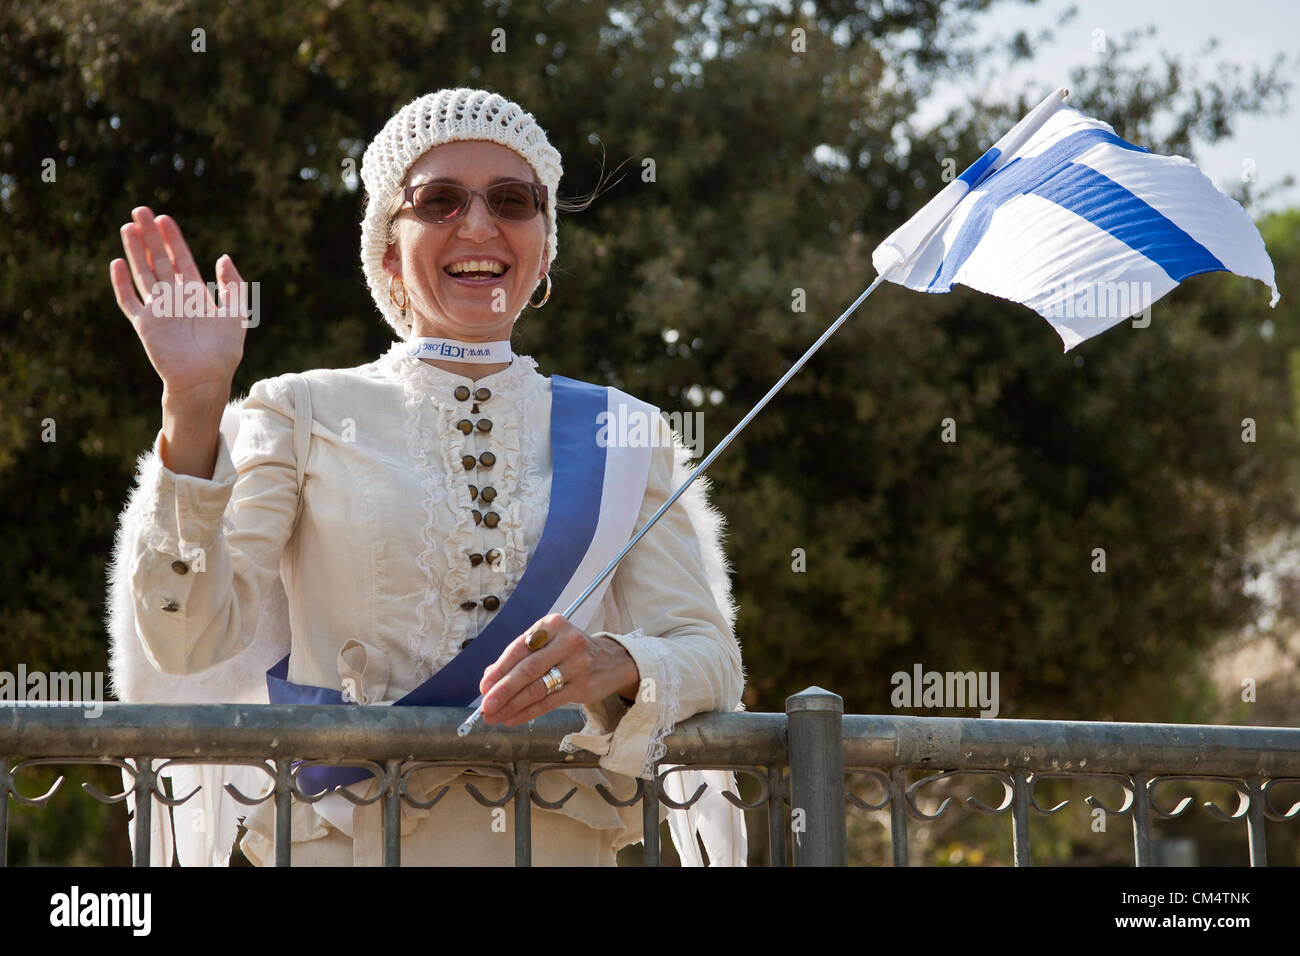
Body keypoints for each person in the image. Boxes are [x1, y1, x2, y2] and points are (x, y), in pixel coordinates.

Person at [105, 88, 747, 866]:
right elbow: (187, 638)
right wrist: (194, 407)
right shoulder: (300, 409)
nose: (478, 225)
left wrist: (617, 662)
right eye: (439, 201)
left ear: (544, 249)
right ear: (387, 251)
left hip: (556, 841)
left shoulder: (624, 431)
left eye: (512, 200)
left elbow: (708, 653)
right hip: (350, 845)